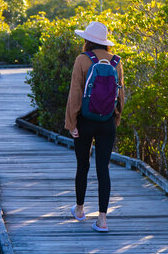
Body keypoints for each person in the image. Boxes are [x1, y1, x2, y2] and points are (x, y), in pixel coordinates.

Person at [65, 21, 125, 233]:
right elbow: (120, 96)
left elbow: (75, 93)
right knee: (103, 169)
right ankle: (102, 220)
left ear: (87, 40)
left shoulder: (82, 60)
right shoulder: (116, 61)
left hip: (85, 121)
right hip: (106, 121)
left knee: (82, 165)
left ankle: (80, 210)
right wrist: (114, 120)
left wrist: (71, 123)